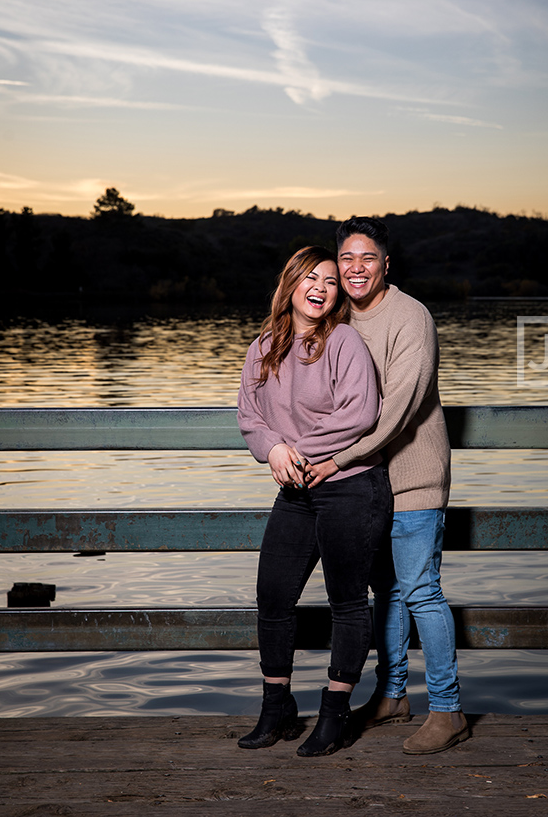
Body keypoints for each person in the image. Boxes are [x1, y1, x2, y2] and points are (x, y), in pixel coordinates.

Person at [304, 217, 469, 755]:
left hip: (413, 477)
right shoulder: (335, 317)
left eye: (367, 258)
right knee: (386, 593)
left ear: (385, 264)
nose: (355, 269)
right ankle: (393, 694)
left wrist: (334, 458)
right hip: (363, 483)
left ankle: (448, 709)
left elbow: (396, 410)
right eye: (346, 259)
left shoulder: (410, 317)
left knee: (420, 590)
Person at [236, 245, 392, 757]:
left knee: (347, 602)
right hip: (295, 489)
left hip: (350, 486)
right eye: (312, 278)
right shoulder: (263, 347)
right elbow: (250, 418)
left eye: (330, 280)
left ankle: (335, 711)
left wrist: (296, 448)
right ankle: (277, 707)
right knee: (274, 598)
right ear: (292, 284)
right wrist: (273, 449)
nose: (322, 287)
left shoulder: (344, 341)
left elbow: (360, 412)